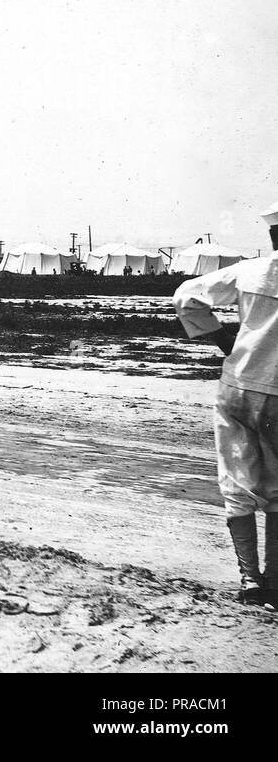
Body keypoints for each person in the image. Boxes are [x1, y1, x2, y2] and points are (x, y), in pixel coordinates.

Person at [174, 200, 278, 604]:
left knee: (236, 479)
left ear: (271, 235)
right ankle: (273, 582)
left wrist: (221, 340)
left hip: (238, 384)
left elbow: (187, 295)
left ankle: (249, 580)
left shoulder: (250, 270)